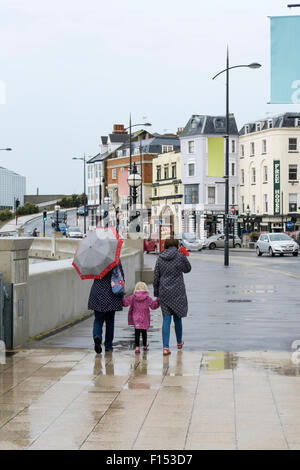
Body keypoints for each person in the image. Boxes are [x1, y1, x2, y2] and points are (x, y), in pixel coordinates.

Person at [153, 238, 191, 356]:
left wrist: (156, 292)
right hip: (177, 291)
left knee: (166, 319)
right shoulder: (179, 256)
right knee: (177, 317)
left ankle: (165, 347)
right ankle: (179, 342)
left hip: (164, 291)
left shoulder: (160, 258)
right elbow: (187, 269)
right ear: (176, 245)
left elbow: (156, 276)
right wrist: (184, 256)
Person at [88, 262, 124, 354]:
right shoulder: (114, 259)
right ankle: (108, 346)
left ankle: (97, 337)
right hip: (111, 292)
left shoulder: (96, 259)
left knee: (98, 319)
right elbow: (121, 275)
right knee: (110, 321)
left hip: (97, 291)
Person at [122, 282, 160, 354]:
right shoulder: (147, 298)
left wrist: (120, 297)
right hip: (144, 317)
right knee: (144, 332)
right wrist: (158, 299)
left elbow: (125, 302)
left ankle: (137, 348)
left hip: (136, 317)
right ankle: (145, 346)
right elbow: (153, 306)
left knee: (137, 332)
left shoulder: (133, 297)